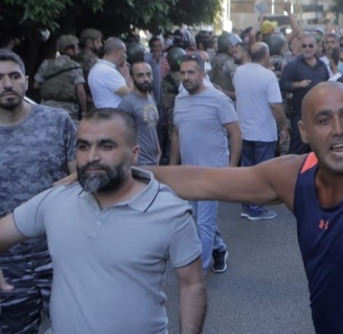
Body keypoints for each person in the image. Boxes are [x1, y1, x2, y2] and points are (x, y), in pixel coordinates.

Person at [131, 29, 343, 333]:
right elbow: (205, 180)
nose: (340, 130)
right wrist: (125, 172)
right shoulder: (294, 174)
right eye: (324, 121)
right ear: (304, 131)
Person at [1, 109, 206, 333]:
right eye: (83, 146)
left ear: (134, 153)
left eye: (106, 146)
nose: (92, 157)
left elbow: (192, 285)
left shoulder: (170, 211)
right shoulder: (56, 199)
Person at [0, 50, 77, 333]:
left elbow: (79, 176)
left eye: (14, 76)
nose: (7, 83)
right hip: (8, 263)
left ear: (27, 81)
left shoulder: (58, 122)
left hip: (59, 255)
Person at [171, 55, 240, 273]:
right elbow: (176, 133)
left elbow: (236, 133)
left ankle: (197, 273)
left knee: (203, 223)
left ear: (202, 74)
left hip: (213, 172)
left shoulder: (218, 99)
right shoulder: (179, 100)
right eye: (182, 73)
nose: (186, 77)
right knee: (194, 218)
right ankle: (219, 248)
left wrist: (231, 169)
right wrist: (172, 167)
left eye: (191, 72)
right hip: (188, 173)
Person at [233, 42, 287, 221]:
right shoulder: (268, 76)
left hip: (243, 131)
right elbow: (276, 106)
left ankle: (247, 205)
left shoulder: (239, 72)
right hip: (263, 132)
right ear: (266, 56)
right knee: (263, 173)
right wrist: (283, 126)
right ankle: (256, 209)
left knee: (247, 171)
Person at [280, 32, 330, 154]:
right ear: (301, 48)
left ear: (317, 47)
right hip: (300, 114)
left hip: (320, 113)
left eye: (310, 46)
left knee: (318, 147)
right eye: (304, 46)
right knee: (299, 147)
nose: (307, 49)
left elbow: (328, 83)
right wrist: (297, 84)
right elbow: (282, 84)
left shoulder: (322, 65)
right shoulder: (293, 66)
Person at [33, 34, 87, 121]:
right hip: (68, 110)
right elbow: (80, 91)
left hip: (46, 108)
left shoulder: (46, 64)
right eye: (76, 48)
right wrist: (84, 111)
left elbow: (35, 85)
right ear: (68, 49)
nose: (78, 51)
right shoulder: (75, 66)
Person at [118, 62, 160, 165]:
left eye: (148, 74)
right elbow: (119, 134)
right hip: (139, 163)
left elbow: (151, 128)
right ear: (132, 79)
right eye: (140, 75)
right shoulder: (127, 103)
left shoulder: (150, 98)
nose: (146, 79)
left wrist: (158, 151)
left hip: (154, 161)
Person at [88, 37, 130, 109]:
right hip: (114, 115)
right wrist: (127, 76)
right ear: (117, 52)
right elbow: (130, 96)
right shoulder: (108, 71)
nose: (126, 56)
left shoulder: (96, 68)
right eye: (124, 52)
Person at [210, 32, 242, 100]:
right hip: (228, 100)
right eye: (236, 47)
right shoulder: (230, 63)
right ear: (230, 47)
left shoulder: (215, 58)